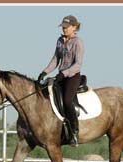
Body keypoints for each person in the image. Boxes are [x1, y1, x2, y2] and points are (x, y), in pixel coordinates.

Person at [38, 15, 84, 147]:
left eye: (66, 27)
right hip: (61, 76)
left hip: (72, 77)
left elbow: (78, 64)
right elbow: (55, 59)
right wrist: (45, 72)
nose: (64, 29)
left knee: (68, 101)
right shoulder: (60, 40)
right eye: (63, 27)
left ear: (74, 27)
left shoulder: (78, 42)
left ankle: (74, 132)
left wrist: (63, 74)